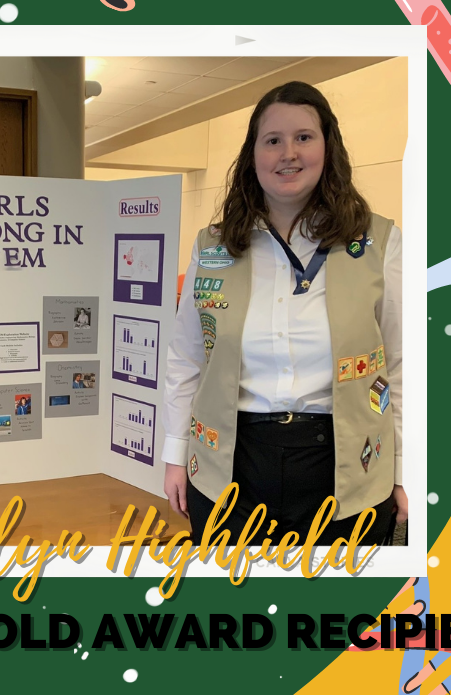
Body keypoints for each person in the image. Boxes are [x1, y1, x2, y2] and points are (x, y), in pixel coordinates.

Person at [163, 81, 405, 546]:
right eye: (272, 140)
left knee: (335, 614)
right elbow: (186, 359)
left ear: (327, 146)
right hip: (231, 460)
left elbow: (402, 365)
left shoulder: (378, 243)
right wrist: (176, 454)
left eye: (304, 137)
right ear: (253, 154)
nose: (287, 153)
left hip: (346, 462)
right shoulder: (212, 246)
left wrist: (408, 470)